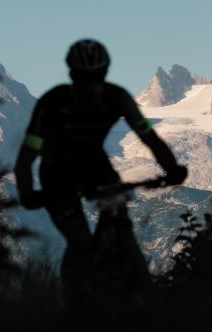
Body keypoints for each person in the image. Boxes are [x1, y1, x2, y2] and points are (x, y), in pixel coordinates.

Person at [15, 39, 187, 302]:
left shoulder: (116, 98)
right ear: (72, 76)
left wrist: (172, 168)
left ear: (104, 75)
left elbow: (149, 138)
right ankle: (74, 304)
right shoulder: (53, 103)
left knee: (122, 230)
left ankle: (146, 301)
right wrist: (28, 191)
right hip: (57, 174)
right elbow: (28, 154)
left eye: (96, 78)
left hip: (96, 167)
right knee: (80, 240)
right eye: (84, 79)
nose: (91, 85)